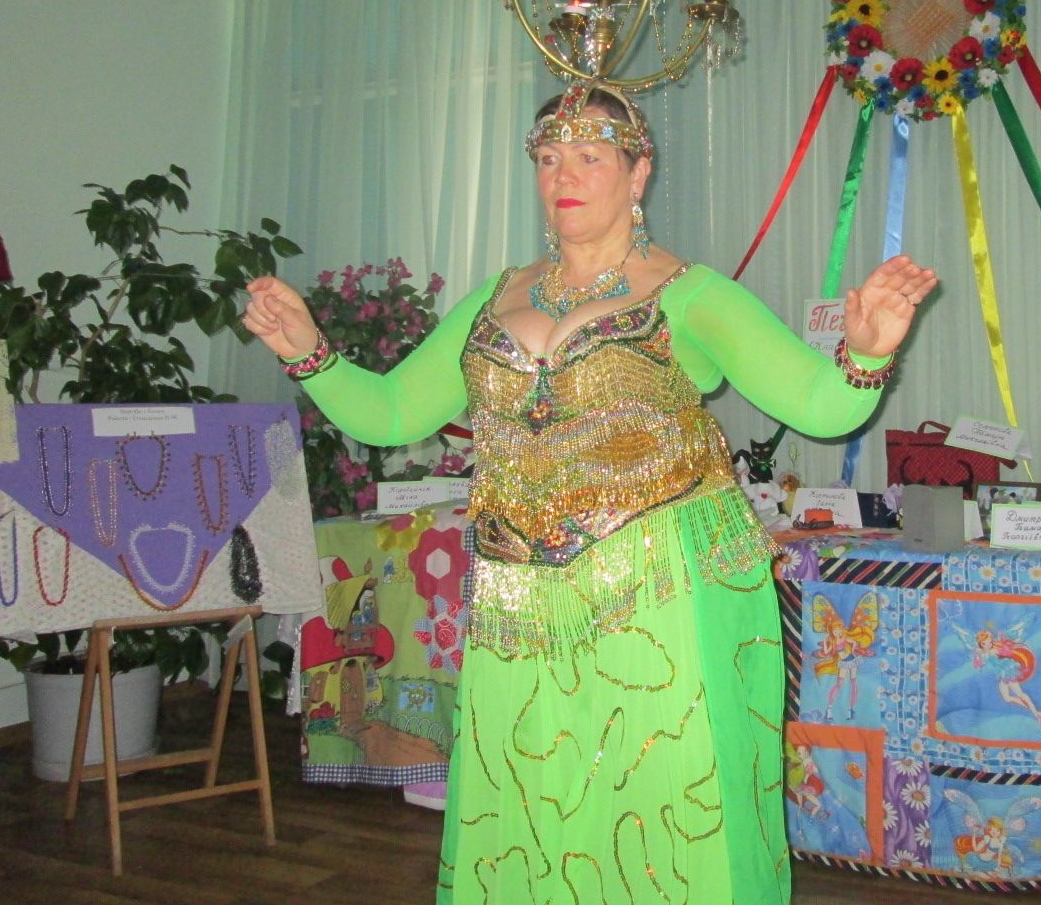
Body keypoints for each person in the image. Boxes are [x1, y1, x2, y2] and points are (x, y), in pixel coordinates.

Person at [244, 81, 936, 905]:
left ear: (639, 173)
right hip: (521, 595)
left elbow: (822, 407)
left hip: (664, 590)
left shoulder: (690, 294)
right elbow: (391, 413)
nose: (562, 174)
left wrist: (867, 353)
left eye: (588, 155)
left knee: (671, 808)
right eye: (547, 157)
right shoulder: (495, 296)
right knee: (528, 804)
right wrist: (309, 350)